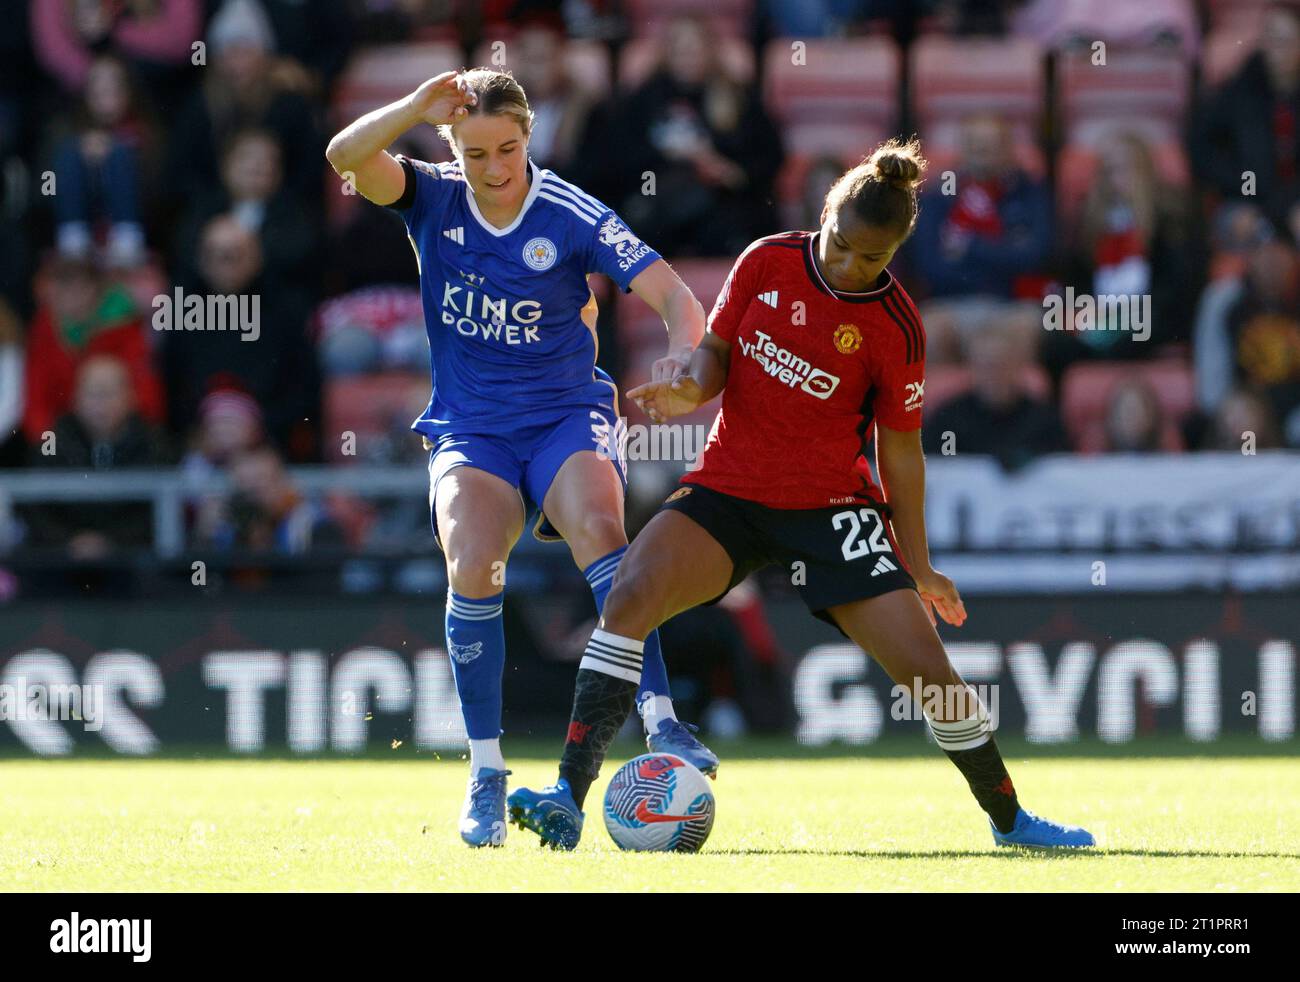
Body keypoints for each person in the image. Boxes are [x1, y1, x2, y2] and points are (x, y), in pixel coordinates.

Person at [509, 139, 1096, 851]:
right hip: (730, 490)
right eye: (843, 246)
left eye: (871, 259)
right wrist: (691, 386)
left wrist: (920, 564)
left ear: (896, 254)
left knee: (929, 673)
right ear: (825, 215)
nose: (851, 267)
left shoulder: (897, 326)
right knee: (628, 593)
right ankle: (567, 796)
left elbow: (902, 454)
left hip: (833, 512)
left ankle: (1012, 821)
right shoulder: (765, 262)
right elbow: (717, 355)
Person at [325, 68, 719, 847]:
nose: (494, 168)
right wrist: (409, 107)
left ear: (529, 138)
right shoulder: (430, 197)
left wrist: (680, 360)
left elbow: (679, 300)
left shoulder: (569, 212)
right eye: (475, 154)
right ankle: (485, 769)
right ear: (453, 150)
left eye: (507, 148)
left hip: (565, 417)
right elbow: (344, 154)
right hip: (472, 428)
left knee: (602, 533)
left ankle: (661, 720)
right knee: (473, 563)